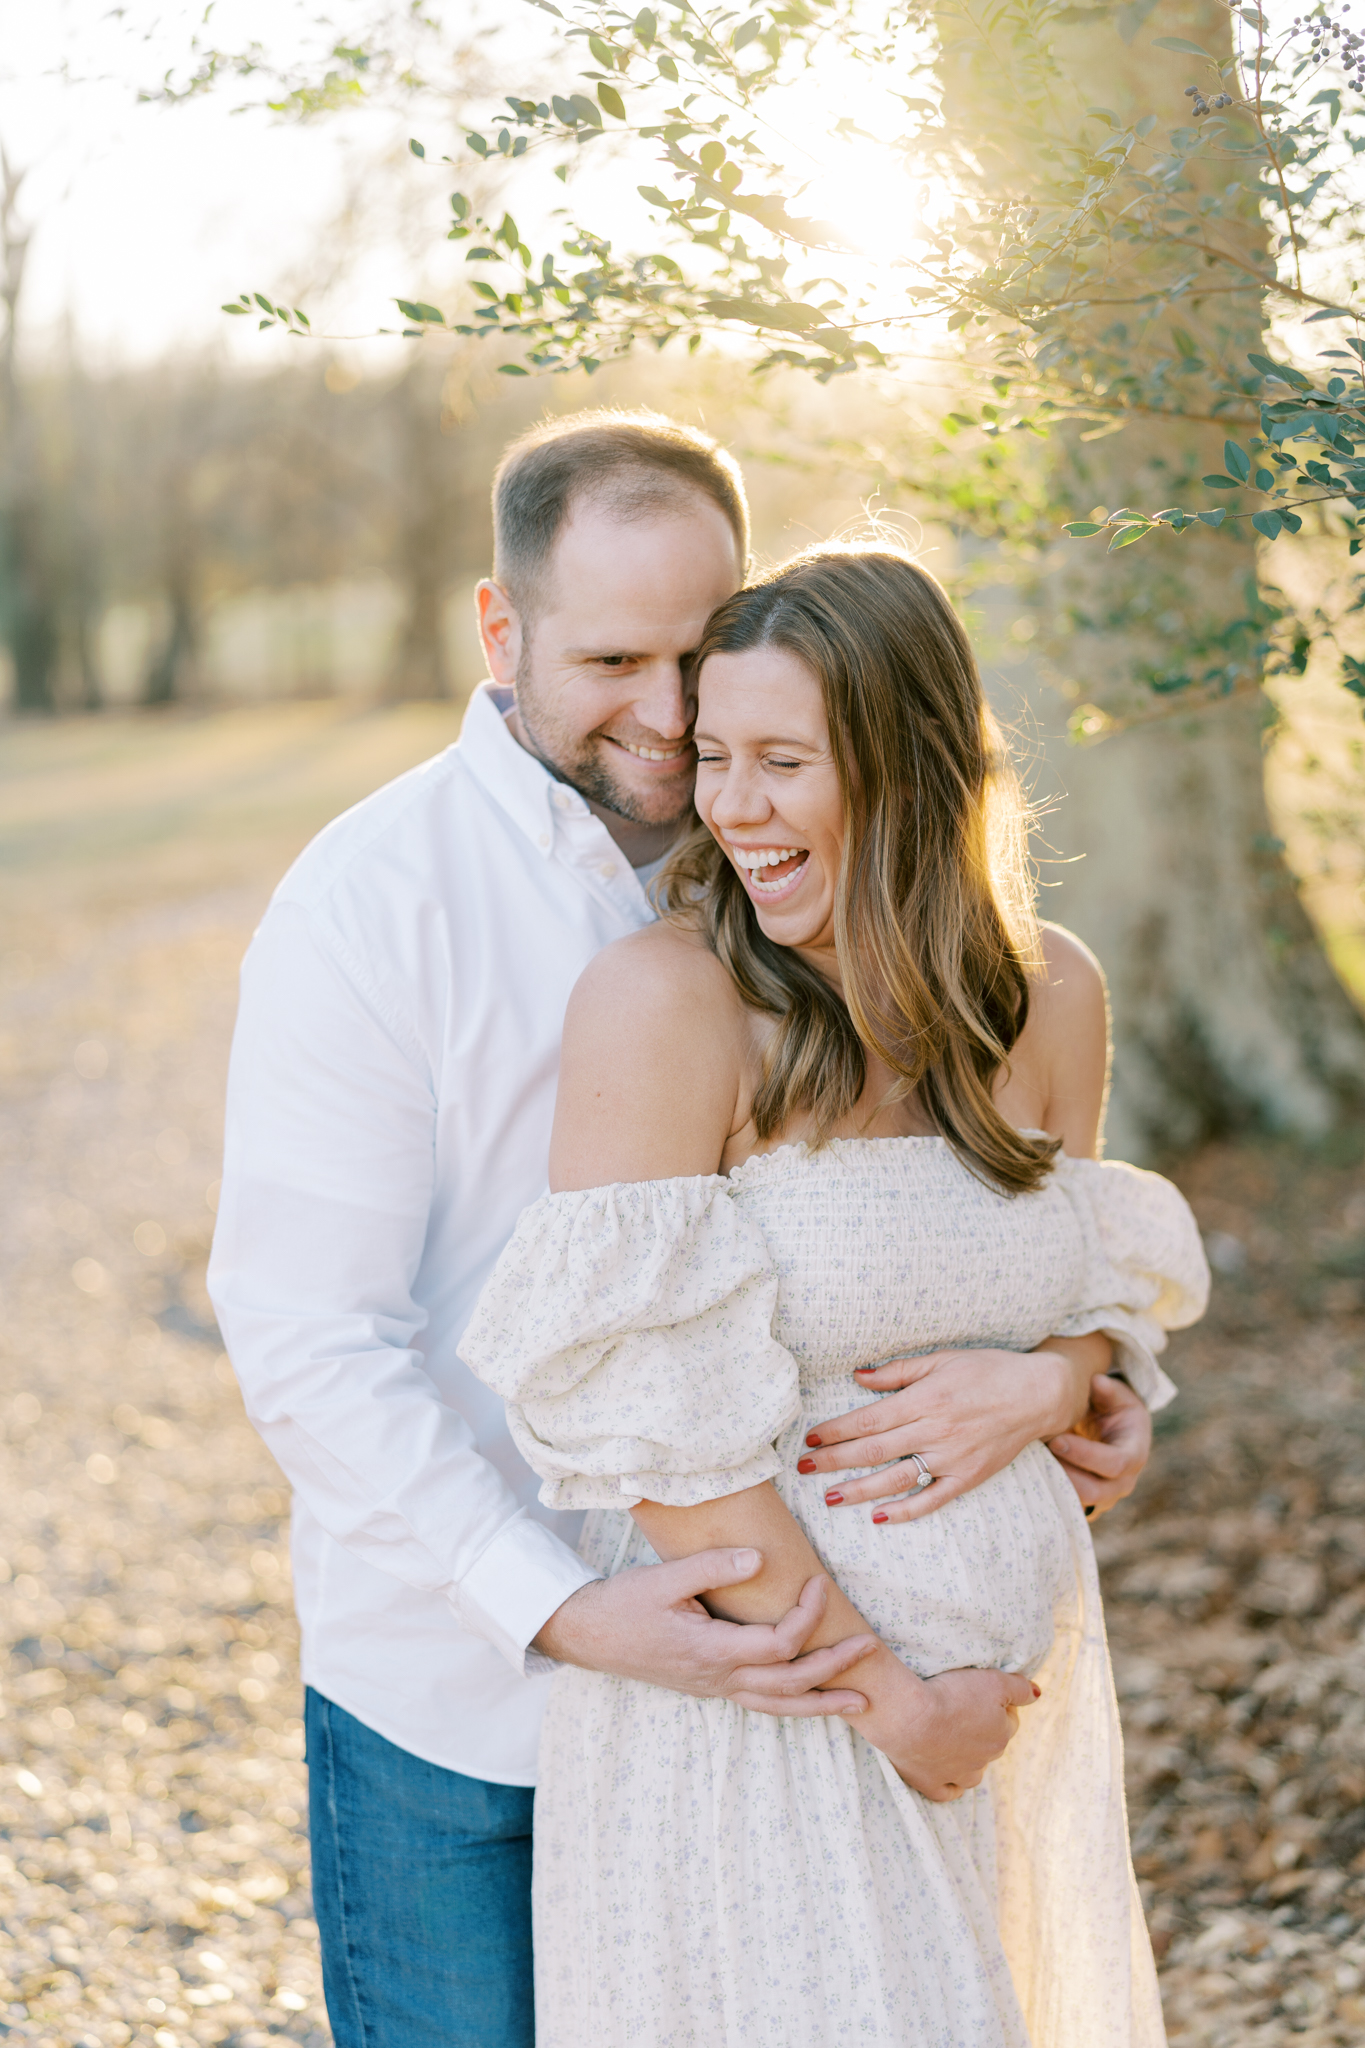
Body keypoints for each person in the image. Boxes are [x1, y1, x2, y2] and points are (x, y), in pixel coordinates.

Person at [207, 411, 1162, 2047]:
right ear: (500, 632)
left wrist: (1071, 1373)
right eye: (611, 661)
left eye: (701, 661)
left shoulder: (801, 898)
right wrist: (557, 1605)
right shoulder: (378, 905)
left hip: (854, 1707)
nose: (668, 724)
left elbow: (980, 1235)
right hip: (471, 1698)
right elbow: (310, 1338)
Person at [460, 545, 1210, 2047]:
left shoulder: (1047, 993)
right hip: (771, 1723)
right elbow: (657, 1436)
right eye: (715, 756)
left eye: (781, 761)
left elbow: (1084, 1285)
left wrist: (1064, 1379)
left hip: (1005, 1728)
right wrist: (889, 1698)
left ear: (909, 763)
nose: (730, 808)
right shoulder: (668, 1006)